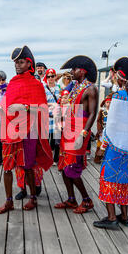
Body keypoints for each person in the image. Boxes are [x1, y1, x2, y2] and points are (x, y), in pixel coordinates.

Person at [0, 45, 53, 214]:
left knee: (27, 165)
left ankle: (33, 198)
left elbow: (42, 108)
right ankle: (8, 201)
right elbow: (8, 105)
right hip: (11, 129)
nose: (17, 65)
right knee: (7, 167)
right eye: (15, 62)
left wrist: (25, 108)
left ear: (29, 64)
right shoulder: (12, 83)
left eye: (21, 62)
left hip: (29, 130)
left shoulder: (36, 85)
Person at [93, 57, 128, 229]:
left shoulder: (118, 97)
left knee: (108, 180)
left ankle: (111, 218)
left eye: (117, 75)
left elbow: (112, 126)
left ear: (122, 79)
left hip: (116, 146)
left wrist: (101, 148)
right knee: (124, 181)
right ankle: (124, 216)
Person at [55, 55, 98, 214]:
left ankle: (86, 200)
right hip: (69, 129)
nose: (71, 72)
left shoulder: (90, 88)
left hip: (80, 130)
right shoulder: (75, 86)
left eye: (74, 69)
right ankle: (71, 199)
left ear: (83, 71)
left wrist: (83, 133)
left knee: (72, 168)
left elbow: (93, 113)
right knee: (64, 166)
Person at [44, 68, 61, 164]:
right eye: (48, 76)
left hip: (57, 117)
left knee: (56, 140)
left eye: (52, 76)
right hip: (47, 116)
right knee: (46, 139)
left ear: (55, 77)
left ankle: (56, 159)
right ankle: (46, 157)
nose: (50, 78)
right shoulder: (43, 89)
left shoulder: (60, 88)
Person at [93, 93, 112, 164]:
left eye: (110, 102)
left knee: (109, 145)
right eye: (107, 102)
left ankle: (107, 157)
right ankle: (97, 157)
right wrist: (99, 130)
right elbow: (98, 121)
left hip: (111, 131)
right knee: (100, 144)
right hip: (103, 130)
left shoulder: (114, 112)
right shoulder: (102, 111)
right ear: (105, 103)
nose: (109, 104)